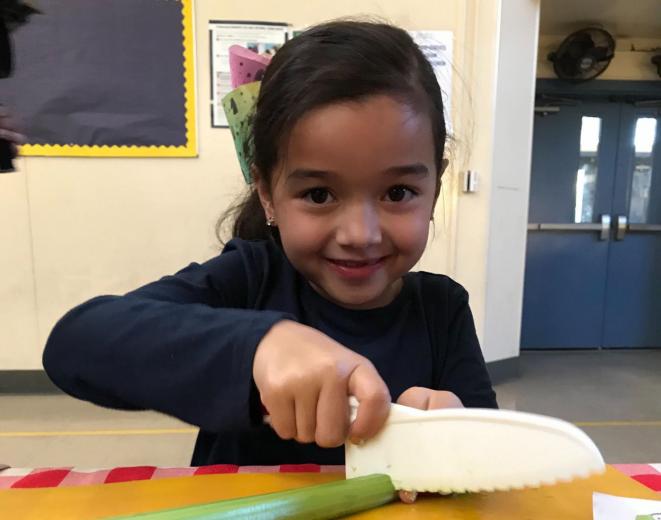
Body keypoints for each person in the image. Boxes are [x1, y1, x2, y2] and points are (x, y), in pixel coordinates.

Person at [43, 20, 497, 481]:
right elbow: (75, 344)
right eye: (319, 195)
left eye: (398, 192)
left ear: (435, 189)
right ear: (266, 194)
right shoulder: (248, 279)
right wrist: (259, 345)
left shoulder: (442, 310)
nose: (361, 233)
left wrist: (455, 429)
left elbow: (492, 459)